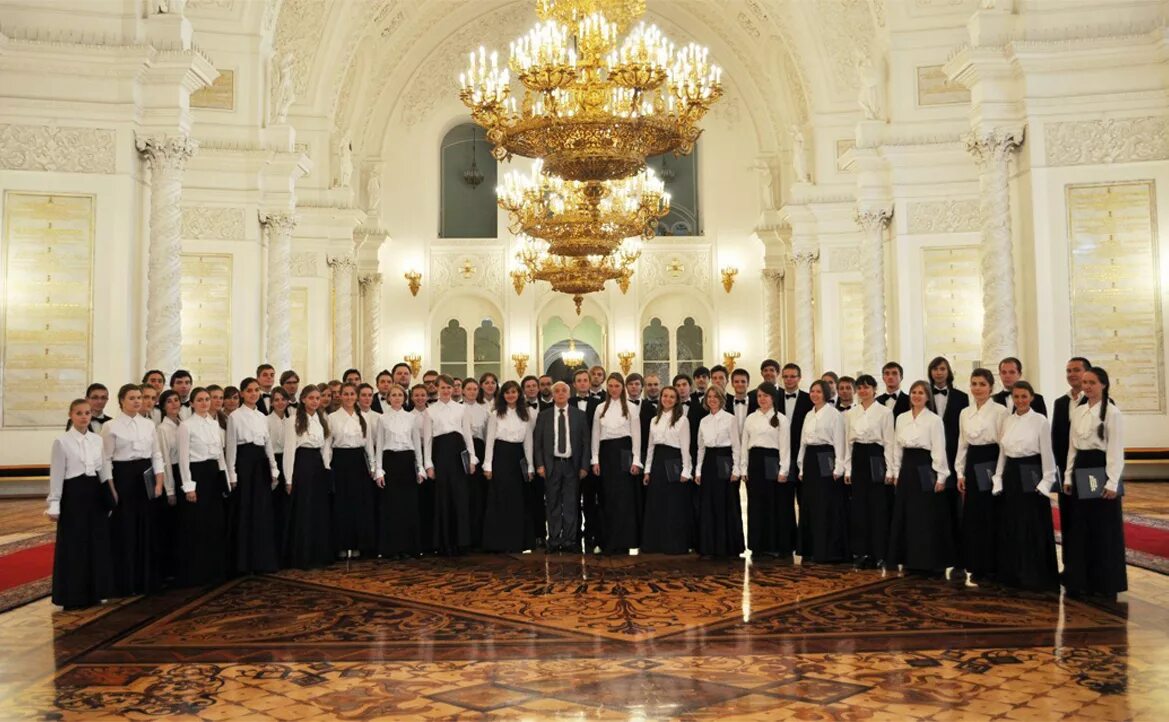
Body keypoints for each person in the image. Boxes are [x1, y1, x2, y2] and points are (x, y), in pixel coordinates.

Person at [1063, 366, 1126, 599]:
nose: (1087, 386)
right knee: (1081, 526)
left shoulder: (1111, 412)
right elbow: (1072, 446)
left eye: (1092, 382)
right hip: (1082, 467)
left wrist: (1112, 482)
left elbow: (1115, 449)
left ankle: (1105, 581)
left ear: (1103, 385)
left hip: (1100, 468)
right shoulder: (1078, 412)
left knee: (1103, 528)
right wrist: (1068, 475)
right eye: (1085, 382)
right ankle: (1082, 579)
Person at [47, 399, 114, 610]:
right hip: (73, 495)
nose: (84, 417)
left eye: (87, 413)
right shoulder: (62, 441)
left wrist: (109, 494)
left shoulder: (96, 440)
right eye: (79, 413)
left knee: (96, 542)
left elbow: (103, 468)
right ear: (71, 415)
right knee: (75, 544)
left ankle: (96, 590)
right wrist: (54, 503)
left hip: (94, 493)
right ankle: (73, 594)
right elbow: (56, 474)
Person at [992, 381, 1058, 591]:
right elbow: (1002, 452)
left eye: (1024, 396)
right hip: (1011, 474)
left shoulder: (1040, 421)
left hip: (1031, 473)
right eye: (1016, 397)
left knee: (1031, 525)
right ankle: (1013, 573)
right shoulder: (1008, 421)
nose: (1020, 400)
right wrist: (998, 477)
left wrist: (1046, 481)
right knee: (1012, 524)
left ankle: (1034, 574)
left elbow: (1048, 454)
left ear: (1031, 398)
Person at [101, 383, 165, 596]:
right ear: (121, 401)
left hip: (145, 475)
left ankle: (146, 580)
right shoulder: (111, 426)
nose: (137, 401)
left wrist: (159, 482)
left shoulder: (148, 425)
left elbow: (156, 454)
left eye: (139, 397)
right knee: (125, 528)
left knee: (147, 527)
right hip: (123, 477)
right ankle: (125, 581)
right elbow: (106, 460)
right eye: (132, 398)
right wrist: (111, 488)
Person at [887, 381, 954, 575]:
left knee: (925, 515)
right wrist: (896, 471)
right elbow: (896, 448)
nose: (916, 396)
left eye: (921, 393)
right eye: (913, 392)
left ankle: (928, 560)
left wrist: (941, 476)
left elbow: (939, 448)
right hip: (907, 468)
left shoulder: (934, 420)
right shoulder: (901, 418)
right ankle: (909, 559)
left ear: (927, 397)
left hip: (926, 467)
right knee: (907, 514)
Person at [952, 368, 1008, 581]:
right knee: (973, 515)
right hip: (973, 463)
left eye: (982, 384)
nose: (977, 388)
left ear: (991, 387)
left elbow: (1003, 445)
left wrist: (999, 475)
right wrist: (959, 472)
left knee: (992, 515)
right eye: (974, 384)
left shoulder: (1000, 411)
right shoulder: (965, 413)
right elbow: (962, 444)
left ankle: (993, 564)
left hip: (992, 461)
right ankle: (976, 564)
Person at [225, 378, 280, 575]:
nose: (254, 394)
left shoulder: (262, 417)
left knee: (262, 512)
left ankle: (262, 559)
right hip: (244, 464)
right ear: (241, 393)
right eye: (249, 391)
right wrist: (232, 473)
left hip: (260, 464)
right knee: (245, 511)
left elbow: (268, 444)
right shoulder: (235, 416)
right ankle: (244, 562)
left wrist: (273, 468)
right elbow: (231, 446)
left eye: (256, 390)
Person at [177, 387, 230, 587]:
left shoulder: (214, 423)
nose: (204, 403)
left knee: (215, 524)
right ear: (191, 403)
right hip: (196, 475)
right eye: (199, 400)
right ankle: (197, 572)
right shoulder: (186, 426)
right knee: (198, 525)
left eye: (207, 399)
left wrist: (224, 479)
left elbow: (219, 454)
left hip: (213, 474)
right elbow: (183, 458)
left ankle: (214, 570)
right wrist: (188, 486)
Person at [843, 374, 894, 569]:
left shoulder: (884, 412)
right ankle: (861, 551)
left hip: (876, 455)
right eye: (860, 388)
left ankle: (878, 552)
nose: (863, 391)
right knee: (859, 507)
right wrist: (847, 468)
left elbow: (889, 442)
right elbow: (848, 442)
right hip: (858, 456)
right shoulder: (851, 414)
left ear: (874, 390)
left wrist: (890, 470)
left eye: (867, 387)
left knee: (877, 507)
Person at [424, 375, 477, 555]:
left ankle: (461, 542)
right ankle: (445, 543)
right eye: (443, 387)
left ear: (454, 389)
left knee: (460, 498)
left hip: (458, 454)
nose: (446, 390)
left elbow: (467, 436)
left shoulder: (461, 409)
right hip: (440, 455)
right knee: (443, 499)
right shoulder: (429, 411)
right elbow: (428, 441)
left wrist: (472, 459)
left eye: (449, 387)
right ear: (437, 388)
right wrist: (428, 464)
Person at [533, 381, 589, 553]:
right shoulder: (544, 415)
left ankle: (570, 540)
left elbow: (586, 442)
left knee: (571, 503)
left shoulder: (579, 415)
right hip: (552, 465)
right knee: (553, 503)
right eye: (556, 391)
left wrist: (584, 466)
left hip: (572, 465)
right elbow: (538, 443)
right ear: (552, 394)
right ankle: (555, 539)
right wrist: (540, 464)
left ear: (569, 393)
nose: (560, 393)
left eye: (563, 390)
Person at [591, 372, 642, 554]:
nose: (614, 389)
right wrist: (595, 459)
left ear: (623, 388)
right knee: (606, 498)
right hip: (605, 455)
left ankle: (624, 541)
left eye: (617, 386)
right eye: (611, 386)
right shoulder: (599, 408)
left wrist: (636, 460)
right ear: (607, 387)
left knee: (624, 499)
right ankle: (607, 542)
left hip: (624, 453)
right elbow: (595, 435)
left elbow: (636, 436)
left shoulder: (631, 408)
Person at [1052, 356, 1092, 587]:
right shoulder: (1060, 402)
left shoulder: (1101, 401)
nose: (1072, 374)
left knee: (1087, 519)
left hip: (1088, 468)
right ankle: (1070, 567)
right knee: (1068, 518)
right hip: (1065, 471)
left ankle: (1089, 568)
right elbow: (1057, 438)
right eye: (1068, 370)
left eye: (1076, 370)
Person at [741, 382, 794, 559]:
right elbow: (744, 445)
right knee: (756, 504)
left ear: (773, 398)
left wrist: (783, 470)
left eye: (765, 396)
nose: (762, 399)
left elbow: (785, 447)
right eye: (759, 396)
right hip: (754, 463)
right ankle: (758, 545)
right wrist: (743, 467)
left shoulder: (781, 419)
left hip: (773, 462)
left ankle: (775, 545)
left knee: (774, 504)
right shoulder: (751, 418)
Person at [797, 379, 848, 563]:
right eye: (812, 391)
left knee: (825, 506)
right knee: (810, 505)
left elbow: (839, 442)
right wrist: (801, 466)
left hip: (826, 459)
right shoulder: (808, 415)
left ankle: (827, 550)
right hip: (810, 460)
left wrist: (839, 466)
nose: (814, 394)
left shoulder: (834, 414)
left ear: (826, 393)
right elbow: (803, 442)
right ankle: (810, 549)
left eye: (818, 391)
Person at [283, 386, 333, 570]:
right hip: (302, 464)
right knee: (304, 509)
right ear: (303, 399)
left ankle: (318, 554)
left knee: (318, 509)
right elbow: (289, 450)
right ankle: (302, 556)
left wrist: (327, 467)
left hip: (317, 465)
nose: (314, 401)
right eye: (311, 398)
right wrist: (288, 478)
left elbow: (325, 447)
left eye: (317, 398)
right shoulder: (293, 420)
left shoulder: (322, 419)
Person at [482, 380, 536, 553]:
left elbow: (528, 441)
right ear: (502, 395)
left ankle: (518, 542)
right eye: (507, 392)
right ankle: (498, 542)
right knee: (500, 498)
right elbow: (489, 440)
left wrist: (530, 466)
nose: (511, 395)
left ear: (519, 394)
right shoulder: (496, 414)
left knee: (518, 499)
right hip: (500, 457)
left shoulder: (526, 413)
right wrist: (488, 465)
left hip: (518, 457)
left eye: (514, 392)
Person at [374, 384, 426, 559]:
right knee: (391, 507)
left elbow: (417, 445)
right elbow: (379, 445)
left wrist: (420, 467)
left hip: (407, 462)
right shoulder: (382, 419)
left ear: (405, 398)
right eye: (393, 395)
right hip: (390, 462)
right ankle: (391, 548)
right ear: (388, 398)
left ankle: (409, 547)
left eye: (400, 395)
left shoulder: (411, 418)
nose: (397, 398)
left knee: (408, 506)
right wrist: (379, 470)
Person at [640, 387, 693, 554]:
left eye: (672, 397)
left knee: (673, 505)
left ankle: (674, 543)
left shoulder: (682, 420)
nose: (667, 399)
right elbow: (650, 447)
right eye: (665, 396)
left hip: (674, 462)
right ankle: (655, 543)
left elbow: (686, 447)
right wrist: (647, 470)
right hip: (657, 463)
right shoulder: (654, 420)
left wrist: (686, 470)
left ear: (676, 400)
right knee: (657, 504)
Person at [327, 383, 377, 559]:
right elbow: (328, 445)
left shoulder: (362, 417)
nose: (349, 397)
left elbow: (369, 444)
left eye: (352, 394)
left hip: (358, 462)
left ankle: (358, 544)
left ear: (356, 396)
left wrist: (372, 466)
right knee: (341, 504)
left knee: (359, 504)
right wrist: (326, 466)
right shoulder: (332, 418)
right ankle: (342, 544)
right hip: (340, 462)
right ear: (340, 396)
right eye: (345, 394)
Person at [928, 356, 969, 569]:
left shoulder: (962, 397)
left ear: (949, 371)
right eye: (935, 369)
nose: (939, 372)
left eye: (942, 368)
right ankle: (935, 554)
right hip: (930, 461)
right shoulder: (924, 396)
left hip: (954, 458)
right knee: (934, 508)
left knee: (955, 508)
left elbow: (964, 431)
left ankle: (958, 558)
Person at [695, 387, 743, 559]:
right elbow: (700, 448)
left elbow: (736, 446)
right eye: (709, 396)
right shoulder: (703, 421)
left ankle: (728, 547)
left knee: (726, 503)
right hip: (709, 462)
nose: (712, 399)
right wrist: (698, 470)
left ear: (722, 399)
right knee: (708, 504)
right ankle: (709, 547)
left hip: (725, 460)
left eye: (716, 396)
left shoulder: (730, 419)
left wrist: (736, 468)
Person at [572, 368, 602, 552]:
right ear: (574, 384)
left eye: (585, 380)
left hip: (592, 457)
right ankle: (573, 534)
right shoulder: (566, 403)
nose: (583, 383)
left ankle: (591, 533)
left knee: (591, 499)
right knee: (572, 498)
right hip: (572, 458)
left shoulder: (599, 404)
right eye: (579, 380)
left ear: (590, 383)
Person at [154, 389, 182, 578]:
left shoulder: (184, 424)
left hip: (185, 474)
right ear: (163, 406)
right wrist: (170, 489)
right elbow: (164, 459)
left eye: (176, 400)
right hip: (173, 474)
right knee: (174, 526)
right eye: (169, 402)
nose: (174, 404)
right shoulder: (162, 429)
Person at [462, 377, 490, 548]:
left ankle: (479, 537)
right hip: (463, 451)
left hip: (480, 449)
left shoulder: (484, 410)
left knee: (479, 495)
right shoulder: (457, 409)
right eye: (469, 389)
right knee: (465, 494)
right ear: (463, 391)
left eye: (475, 389)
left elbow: (487, 435)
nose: (472, 392)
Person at [266, 388, 291, 560]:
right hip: (272, 462)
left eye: (283, 399)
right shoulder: (266, 421)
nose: (280, 402)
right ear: (272, 403)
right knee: (274, 507)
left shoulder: (293, 420)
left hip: (288, 462)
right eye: (277, 400)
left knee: (288, 507)